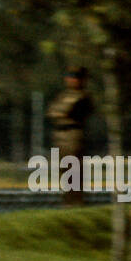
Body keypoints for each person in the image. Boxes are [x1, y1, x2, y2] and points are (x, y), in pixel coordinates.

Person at [47, 67, 94, 206]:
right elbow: (51, 112)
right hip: (60, 136)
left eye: (75, 76)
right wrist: (60, 113)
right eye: (69, 76)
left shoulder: (83, 96)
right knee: (63, 172)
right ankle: (67, 202)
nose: (71, 79)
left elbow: (64, 112)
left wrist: (60, 113)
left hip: (73, 136)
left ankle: (76, 202)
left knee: (74, 171)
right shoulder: (64, 95)